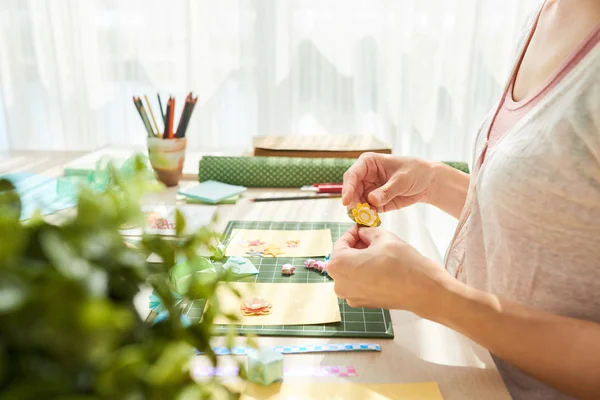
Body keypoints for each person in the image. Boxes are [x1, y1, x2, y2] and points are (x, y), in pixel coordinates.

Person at [327, 1, 600, 399]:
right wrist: (434, 183)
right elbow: (564, 226)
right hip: (486, 377)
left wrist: (435, 297)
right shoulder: (549, 14)